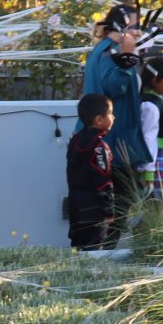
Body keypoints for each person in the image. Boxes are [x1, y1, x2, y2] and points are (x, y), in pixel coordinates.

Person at [81, 5, 149, 245]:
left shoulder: (106, 50)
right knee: (117, 202)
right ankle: (104, 252)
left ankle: (105, 250)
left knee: (121, 200)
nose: (139, 33)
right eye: (135, 27)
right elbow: (113, 88)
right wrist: (128, 57)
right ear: (122, 27)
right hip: (111, 143)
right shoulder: (109, 52)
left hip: (116, 141)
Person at [66, 94, 117, 249]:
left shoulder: (75, 141)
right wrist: (109, 212)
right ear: (99, 120)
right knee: (94, 250)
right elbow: (103, 182)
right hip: (95, 212)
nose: (113, 117)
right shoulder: (99, 147)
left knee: (78, 246)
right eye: (110, 113)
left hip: (75, 207)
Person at [137, 54, 163, 207]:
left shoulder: (157, 102)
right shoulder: (150, 106)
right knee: (157, 208)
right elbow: (148, 139)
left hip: (162, 164)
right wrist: (147, 171)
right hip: (155, 168)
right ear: (155, 80)